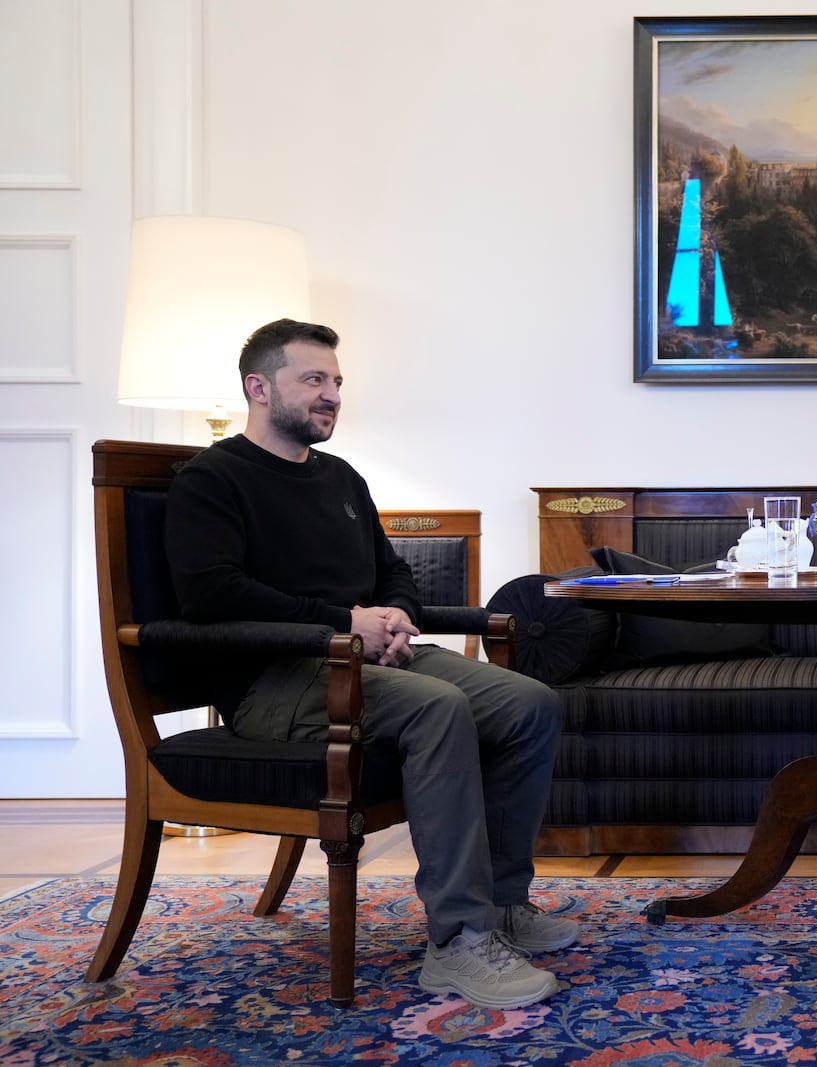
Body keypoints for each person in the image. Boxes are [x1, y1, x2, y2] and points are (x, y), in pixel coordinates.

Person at [165, 318, 575, 1010]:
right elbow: (211, 592)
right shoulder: (212, 479)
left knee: (530, 703)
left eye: (336, 382)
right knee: (437, 708)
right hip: (273, 679)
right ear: (257, 387)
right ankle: (459, 940)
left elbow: (393, 572)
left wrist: (394, 616)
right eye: (313, 379)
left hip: (362, 659)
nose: (331, 395)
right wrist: (344, 622)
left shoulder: (341, 478)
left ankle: (504, 903)